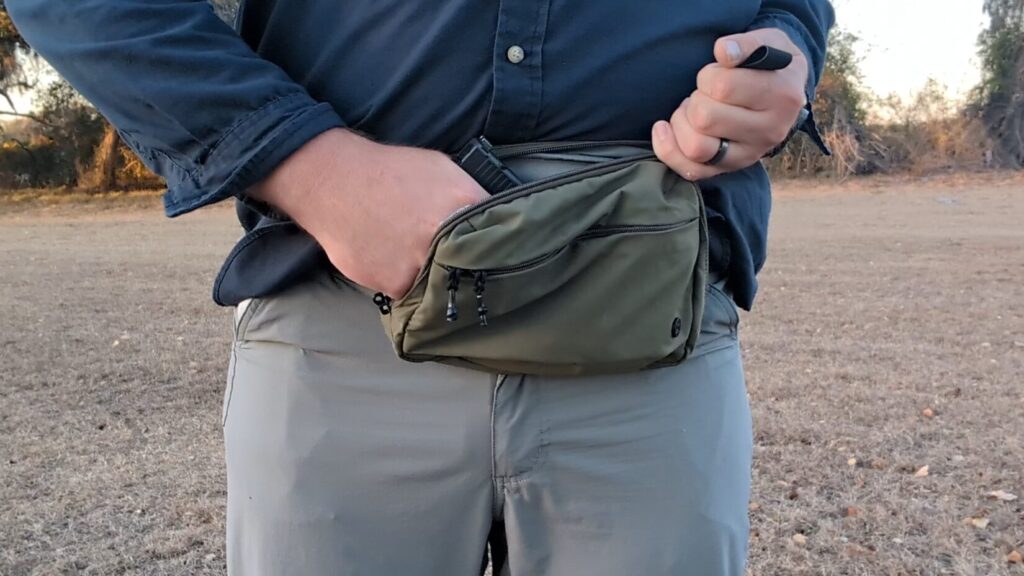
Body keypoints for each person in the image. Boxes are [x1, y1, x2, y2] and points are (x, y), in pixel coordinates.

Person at [8, 0, 834, 574]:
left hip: (654, 321)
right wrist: (315, 170)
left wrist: (787, 52)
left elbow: (793, 8)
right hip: (342, 300)